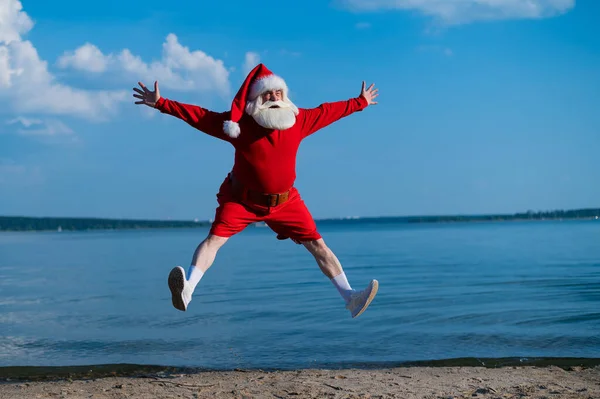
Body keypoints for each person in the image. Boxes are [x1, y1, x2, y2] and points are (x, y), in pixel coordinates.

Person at [133, 63, 379, 318]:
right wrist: (162, 103)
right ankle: (187, 290)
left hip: (286, 203)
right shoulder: (239, 126)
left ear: (285, 96)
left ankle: (350, 297)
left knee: (318, 245)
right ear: (256, 100)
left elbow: (329, 111)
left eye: (278, 93)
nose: (274, 97)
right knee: (214, 240)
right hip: (242, 201)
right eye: (267, 94)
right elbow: (199, 116)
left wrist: (360, 101)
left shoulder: (299, 120)